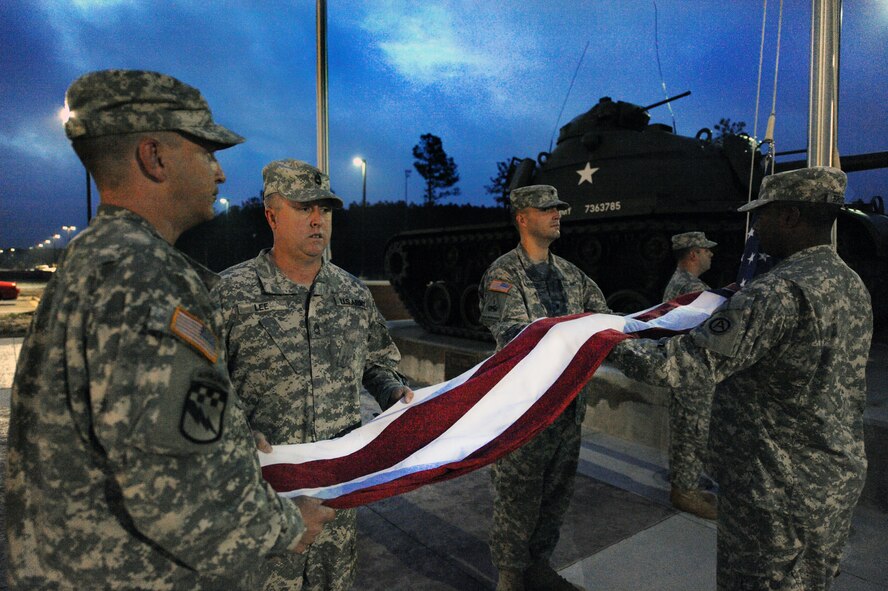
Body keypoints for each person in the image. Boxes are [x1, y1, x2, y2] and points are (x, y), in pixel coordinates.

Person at [5, 70, 334, 590]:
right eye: (207, 152)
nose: (221, 174)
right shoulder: (145, 277)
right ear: (153, 157)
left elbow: (135, 421)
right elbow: (173, 487)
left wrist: (235, 435)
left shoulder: (98, 260)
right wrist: (287, 525)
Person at [608, 167, 872, 590]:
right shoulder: (849, 282)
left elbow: (676, 367)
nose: (755, 226)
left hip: (775, 492)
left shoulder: (775, 293)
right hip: (829, 481)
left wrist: (600, 340)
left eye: (762, 215)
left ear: (790, 217)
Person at [213, 159, 413, 591]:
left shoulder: (351, 293)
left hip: (337, 497)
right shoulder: (231, 293)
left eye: (325, 209)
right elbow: (203, 387)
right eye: (304, 207)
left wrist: (392, 390)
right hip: (266, 501)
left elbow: (376, 360)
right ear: (271, 215)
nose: (318, 219)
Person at [479, 185, 609, 591]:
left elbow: (605, 320)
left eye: (559, 208)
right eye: (547, 209)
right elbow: (515, 332)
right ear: (522, 217)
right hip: (524, 412)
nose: (557, 214)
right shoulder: (503, 274)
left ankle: (539, 565)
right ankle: (510, 575)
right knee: (517, 496)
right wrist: (575, 332)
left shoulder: (573, 275)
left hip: (568, 409)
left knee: (556, 493)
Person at [663, 231, 719, 520]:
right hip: (691, 373)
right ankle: (685, 492)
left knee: (687, 428)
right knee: (692, 430)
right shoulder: (691, 289)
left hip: (685, 370)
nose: (711, 254)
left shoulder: (683, 284)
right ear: (693, 254)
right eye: (706, 250)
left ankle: (687, 484)